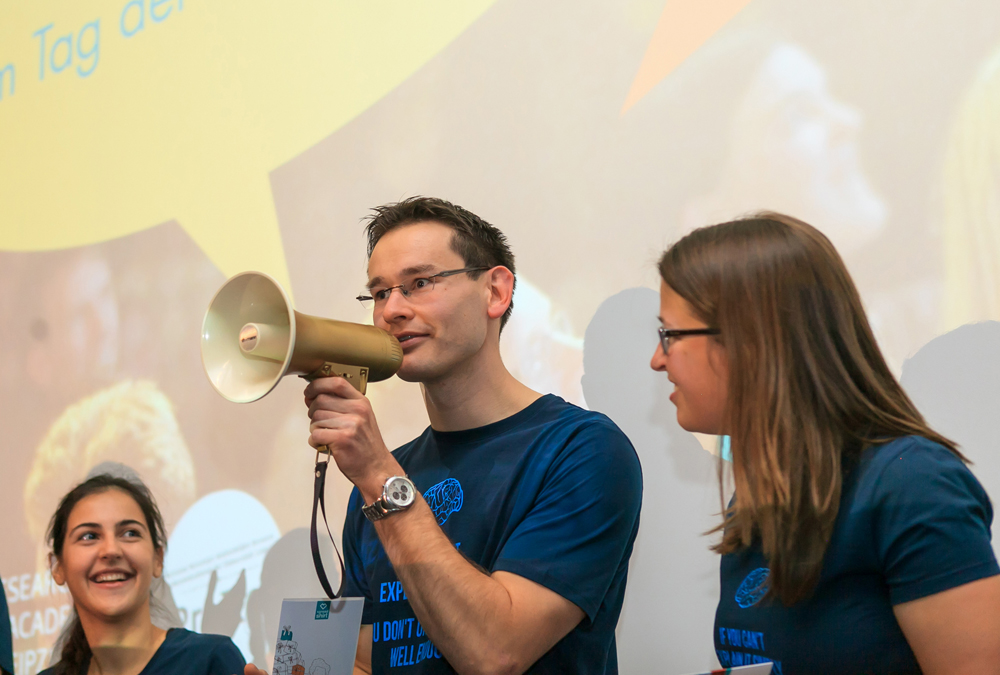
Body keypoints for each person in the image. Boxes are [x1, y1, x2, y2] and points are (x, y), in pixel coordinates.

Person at [248, 196, 642, 675]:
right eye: (379, 293)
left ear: (496, 291)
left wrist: (377, 475)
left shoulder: (581, 451)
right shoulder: (385, 477)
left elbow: (495, 653)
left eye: (419, 283)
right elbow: (375, 657)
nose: (392, 310)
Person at [650, 211, 1000, 675]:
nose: (657, 360)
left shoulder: (911, 484)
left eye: (669, 335)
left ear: (751, 341)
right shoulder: (762, 495)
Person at [41, 474, 245, 675]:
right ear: (57, 567)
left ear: (158, 559)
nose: (111, 550)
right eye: (89, 536)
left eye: (130, 533)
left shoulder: (210, 660)